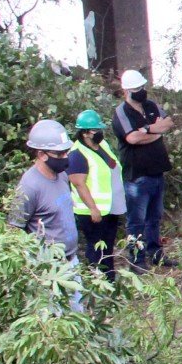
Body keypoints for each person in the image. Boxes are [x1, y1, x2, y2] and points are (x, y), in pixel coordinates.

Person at [111, 69, 174, 271]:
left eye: (141, 87)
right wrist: (154, 130)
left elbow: (168, 123)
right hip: (136, 177)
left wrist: (146, 130)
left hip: (157, 171)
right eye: (136, 89)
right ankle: (136, 261)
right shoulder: (121, 112)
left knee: (154, 218)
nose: (141, 91)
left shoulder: (151, 106)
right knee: (136, 222)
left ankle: (156, 255)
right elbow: (131, 138)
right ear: (126, 91)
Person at [10, 118, 79, 264]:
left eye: (66, 152)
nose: (65, 157)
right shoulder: (29, 186)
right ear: (42, 155)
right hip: (48, 266)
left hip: (72, 259)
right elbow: (14, 230)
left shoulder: (61, 174)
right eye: (59, 154)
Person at [66, 108, 122, 279]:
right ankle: (96, 280)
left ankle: (109, 279)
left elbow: (112, 166)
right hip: (92, 211)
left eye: (99, 129)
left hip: (109, 208)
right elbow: (79, 184)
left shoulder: (102, 145)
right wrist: (93, 209)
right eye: (95, 130)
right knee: (96, 247)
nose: (99, 133)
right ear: (84, 133)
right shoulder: (77, 154)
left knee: (108, 245)